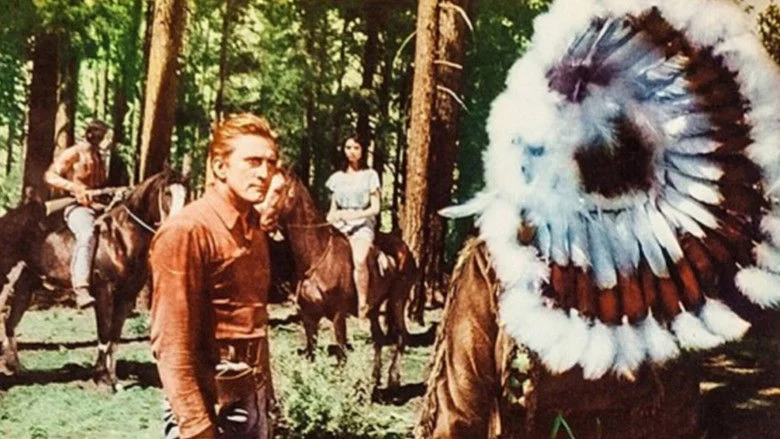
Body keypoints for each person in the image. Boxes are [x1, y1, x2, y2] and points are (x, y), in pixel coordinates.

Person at [149, 113, 280, 439]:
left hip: (250, 393)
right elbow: (171, 342)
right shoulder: (187, 231)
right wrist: (195, 424)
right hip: (207, 400)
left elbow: (253, 324)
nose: (264, 173)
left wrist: (267, 400)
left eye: (271, 163)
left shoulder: (255, 231)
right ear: (220, 167)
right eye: (253, 161)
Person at [43, 120, 113, 309]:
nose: (99, 137)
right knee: (87, 234)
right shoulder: (73, 153)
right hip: (77, 206)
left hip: (99, 206)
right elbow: (50, 176)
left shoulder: (99, 157)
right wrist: (74, 187)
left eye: (102, 134)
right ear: (89, 133)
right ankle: (81, 287)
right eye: (97, 133)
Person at [325, 135, 381, 318]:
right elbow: (333, 209)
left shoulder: (370, 175)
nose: (352, 152)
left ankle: (363, 303)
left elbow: (375, 208)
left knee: (359, 258)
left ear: (363, 150)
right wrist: (332, 217)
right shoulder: (336, 178)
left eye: (356, 147)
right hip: (340, 224)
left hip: (362, 224)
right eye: (348, 147)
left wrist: (354, 215)